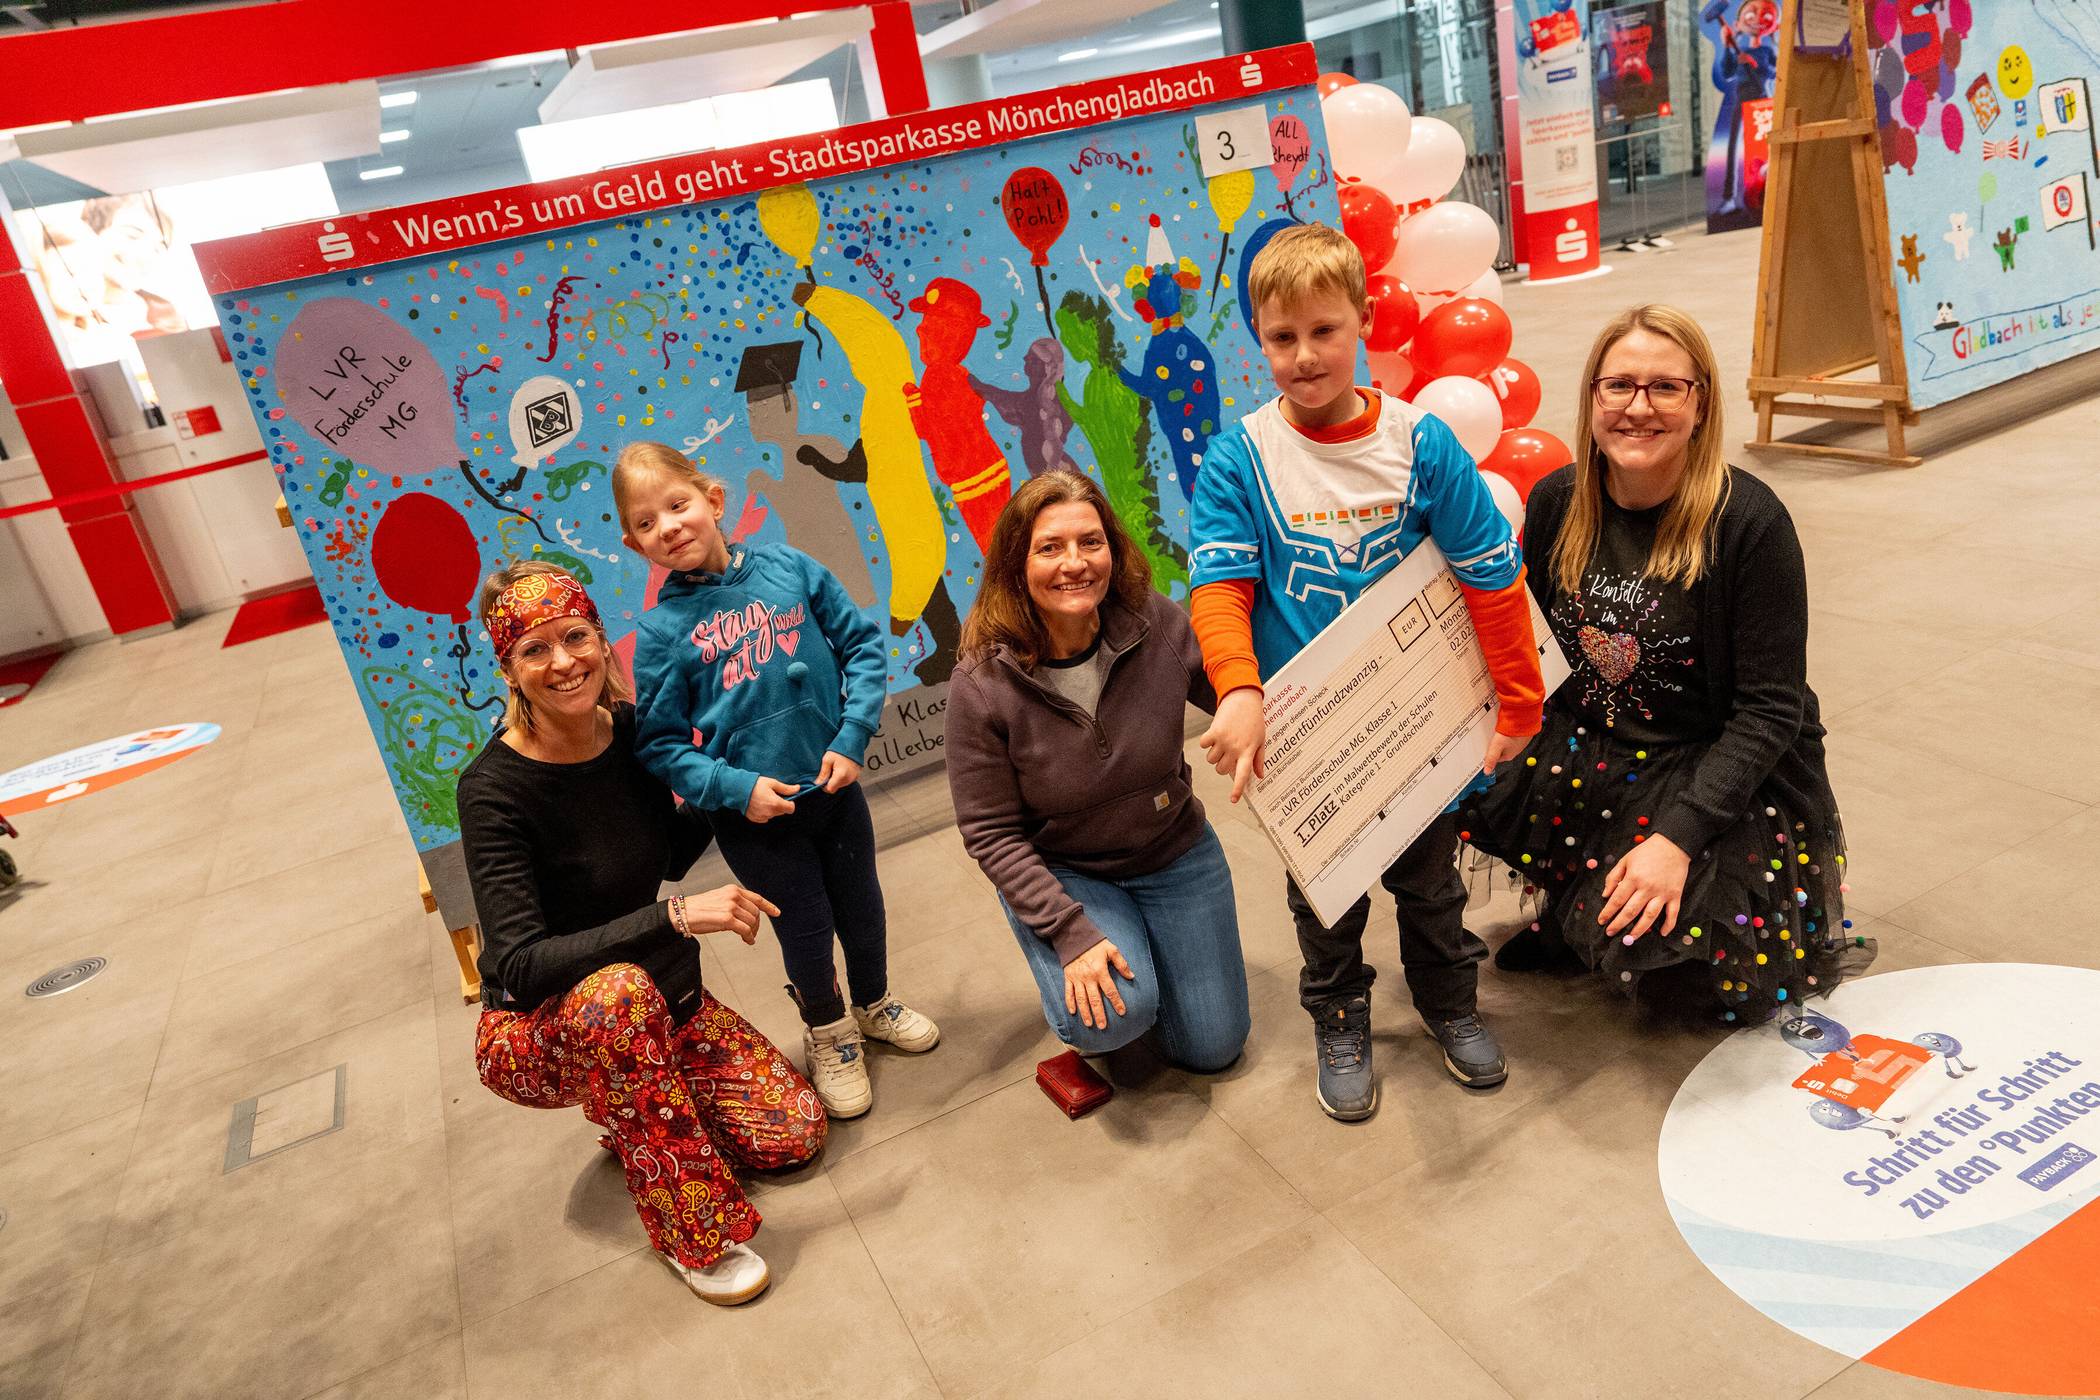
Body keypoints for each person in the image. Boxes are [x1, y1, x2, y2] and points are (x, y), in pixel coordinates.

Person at [1189, 223, 1545, 1121]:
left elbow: (1492, 577)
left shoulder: (1422, 444)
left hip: (1419, 726)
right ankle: (1340, 1018)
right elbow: (1220, 590)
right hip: (1309, 741)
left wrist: (1518, 699)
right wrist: (1237, 689)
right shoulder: (1239, 458)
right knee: (1326, 905)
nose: (1305, 356)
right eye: (1281, 337)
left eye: (1325, 330)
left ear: (1362, 324)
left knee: (1432, 886)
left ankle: (1449, 1004)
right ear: (1259, 340)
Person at [1459, 303, 1871, 1020]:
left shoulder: (1750, 522)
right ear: (1591, 398)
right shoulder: (1558, 502)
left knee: (1693, 982)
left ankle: (1621, 899)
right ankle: (1577, 905)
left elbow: (1769, 710)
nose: (1637, 408)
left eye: (1665, 388)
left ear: (1700, 402)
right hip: (1601, 743)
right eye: (1618, 386)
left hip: (1714, 754)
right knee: (1468, 780)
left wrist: (1676, 841)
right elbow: (1545, 654)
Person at [459, 561, 823, 1307]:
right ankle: (695, 1232)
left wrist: (744, 778)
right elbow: (523, 964)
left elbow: (665, 850)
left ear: (600, 639)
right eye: (534, 650)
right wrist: (677, 916)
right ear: (509, 668)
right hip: (539, 1030)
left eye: (575, 636)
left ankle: (636, 1107)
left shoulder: (627, 732)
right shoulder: (492, 790)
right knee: (618, 1000)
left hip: (657, 996)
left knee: (793, 1134)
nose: (563, 663)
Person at [615, 441, 940, 1121]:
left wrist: (853, 737)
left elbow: (862, 645)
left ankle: (874, 1004)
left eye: (677, 505)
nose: (669, 526)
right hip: (757, 818)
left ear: (713, 499)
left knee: (862, 906)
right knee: (807, 926)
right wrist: (736, 791)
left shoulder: (791, 568)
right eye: (647, 523)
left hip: (834, 791)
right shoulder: (661, 631)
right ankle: (830, 1033)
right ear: (634, 542)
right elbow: (662, 745)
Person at [946, 472, 1251, 1072]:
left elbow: (1227, 691)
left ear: (1112, 547)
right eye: (1050, 547)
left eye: (1091, 542)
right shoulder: (981, 684)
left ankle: (1150, 959)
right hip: (1069, 870)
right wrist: (1068, 931)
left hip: (1174, 851)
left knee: (1214, 1048)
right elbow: (990, 832)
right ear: (1016, 562)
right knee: (1113, 1019)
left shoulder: (1154, 623)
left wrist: (1247, 695)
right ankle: (1086, 954)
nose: (1075, 563)